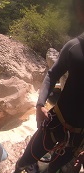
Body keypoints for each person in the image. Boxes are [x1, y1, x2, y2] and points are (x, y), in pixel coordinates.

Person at [14, 1, 84, 172]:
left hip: (78, 136)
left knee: (52, 168)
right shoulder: (73, 47)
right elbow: (52, 74)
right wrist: (40, 104)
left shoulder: (74, 46)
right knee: (25, 161)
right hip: (56, 123)